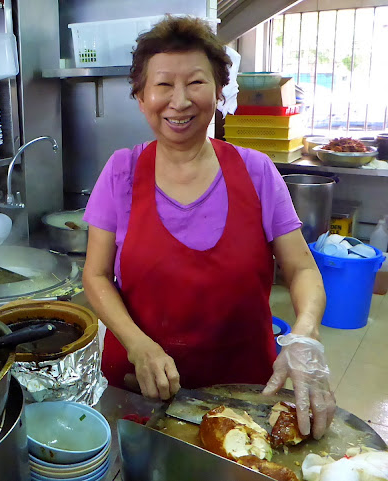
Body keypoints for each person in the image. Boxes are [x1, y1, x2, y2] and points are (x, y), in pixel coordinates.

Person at [82, 15, 335, 439]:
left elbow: (302, 269)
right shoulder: (121, 172)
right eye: (162, 85)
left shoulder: (256, 171)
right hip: (141, 388)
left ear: (219, 92)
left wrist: (305, 336)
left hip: (244, 394)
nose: (179, 101)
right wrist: (137, 344)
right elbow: (95, 275)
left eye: (196, 83)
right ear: (141, 98)